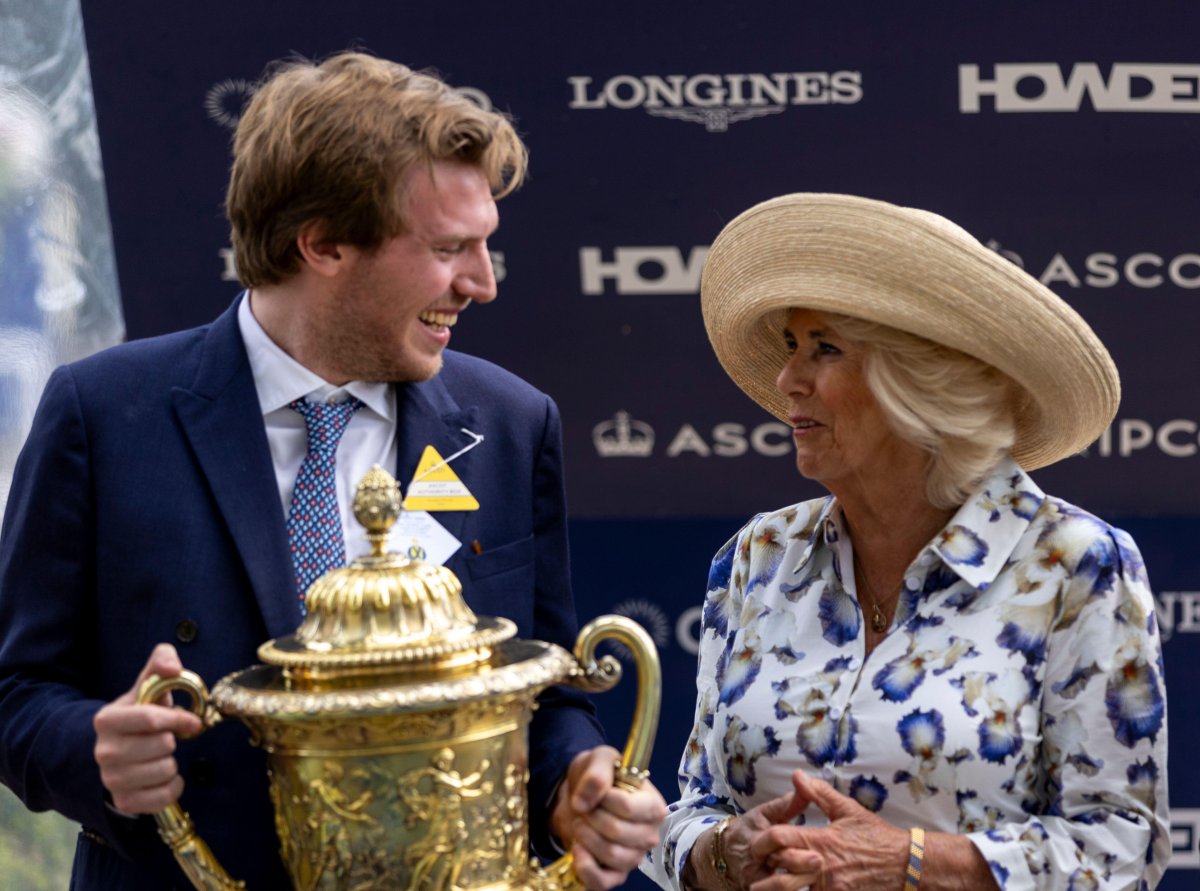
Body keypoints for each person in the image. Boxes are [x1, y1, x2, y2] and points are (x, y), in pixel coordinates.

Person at [0, 51, 664, 890]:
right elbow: (15, 691)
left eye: (486, 245)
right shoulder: (103, 413)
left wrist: (576, 785)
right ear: (321, 244)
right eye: (450, 248)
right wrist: (95, 749)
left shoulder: (510, 422)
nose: (484, 283)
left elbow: (545, 689)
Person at [641, 193, 1169, 891]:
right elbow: (694, 807)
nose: (786, 379)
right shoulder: (760, 555)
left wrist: (909, 862)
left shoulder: (1076, 565)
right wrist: (720, 853)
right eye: (793, 346)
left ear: (922, 381)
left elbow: (1121, 845)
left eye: (824, 348)